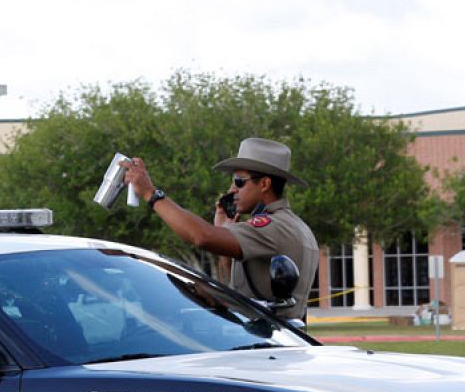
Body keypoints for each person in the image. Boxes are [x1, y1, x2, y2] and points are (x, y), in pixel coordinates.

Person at [121, 137, 319, 320]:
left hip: (270, 344)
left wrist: (151, 194)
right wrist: (225, 235)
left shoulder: (273, 227)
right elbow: (246, 292)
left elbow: (201, 237)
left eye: (240, 181)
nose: (232, 190)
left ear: (265, 184)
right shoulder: (293, 225)